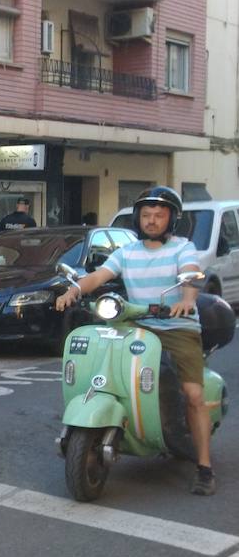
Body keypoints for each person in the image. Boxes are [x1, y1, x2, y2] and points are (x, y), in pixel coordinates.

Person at [54, 186, 215, 496]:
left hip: (177, 326)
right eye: (146, 216)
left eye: (159, 215)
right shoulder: (127, 252)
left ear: (171, 220)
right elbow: (99, 276)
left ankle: (205, 467)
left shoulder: (183, 247)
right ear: (138, 220)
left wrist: (186, 299)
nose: (151, 221)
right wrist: (73, 291)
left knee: (193, 394)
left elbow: (191, 275)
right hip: (137, 324)